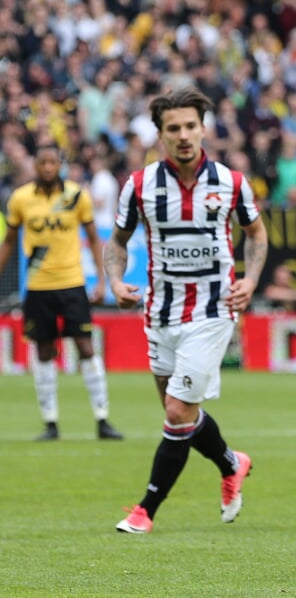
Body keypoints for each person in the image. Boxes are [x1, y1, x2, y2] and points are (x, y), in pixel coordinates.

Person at [106, 88, 268, 535]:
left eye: (190, 126)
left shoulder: (232, 183)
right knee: (183, 417)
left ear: (203, 129)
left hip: (213, 310)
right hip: (160, 312)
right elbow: (117, 244)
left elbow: (256, 235)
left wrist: (250, 280)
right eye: (173, 128)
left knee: (177, 412)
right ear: (159, 135)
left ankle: (145, 511)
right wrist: (116, 281)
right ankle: (232, 463)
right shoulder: (139, 186)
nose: (183, 136)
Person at [0, 146, 124, 441]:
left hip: (71, 282)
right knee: (43, 350)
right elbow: (9, 241)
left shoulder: (76, 196)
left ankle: (102, 418)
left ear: (60, 165)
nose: (46, 167)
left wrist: (102, 280)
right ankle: (51, 421)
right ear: (35, 165)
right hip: (39, 286)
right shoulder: (20, 198)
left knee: (85, 346)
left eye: (52, 162)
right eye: (41, 162)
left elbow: (94, 239)